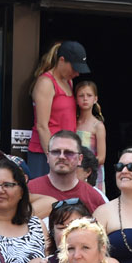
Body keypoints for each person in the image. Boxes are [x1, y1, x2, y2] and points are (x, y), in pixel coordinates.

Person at [28, 41, 88, 179]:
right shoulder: (46, 83)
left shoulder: (69, 82)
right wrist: (52, 156)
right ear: (62, 61)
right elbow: (42, 126)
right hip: (45, 154)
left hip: (65, 152)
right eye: (74, 68)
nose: (77, 73)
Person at [28, 131, 106, 212]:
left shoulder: (94, 198)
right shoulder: (28, 191)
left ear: (80, 159)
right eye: (56, 152)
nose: (61, 156)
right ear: (48, 157)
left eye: (69, 153)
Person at [74, 80, 107, 191]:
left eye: (89, 95)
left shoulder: (98, 126)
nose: (85, 98)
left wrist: (84, 166)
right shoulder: (72, 123)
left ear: (95, 99)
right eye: (81, 95)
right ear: (76, 99)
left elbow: (102, 158)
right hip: (73, 172)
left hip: (92, 172)